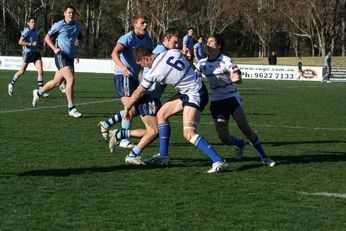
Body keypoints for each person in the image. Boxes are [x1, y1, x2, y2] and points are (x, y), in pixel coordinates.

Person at [111, 46, 229, 173]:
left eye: (142, 64)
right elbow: (183, 56)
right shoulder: (170, 52)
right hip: (187, 91)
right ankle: (163, 156)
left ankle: (218, 161)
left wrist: (128, 108)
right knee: (161, 114)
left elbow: (138, 93)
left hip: (194, 94)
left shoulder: (154, 72)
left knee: (188, 133)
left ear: (145, 58)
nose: (145, 68)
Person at [100, 28, 181, 165]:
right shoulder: (159, 53)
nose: (177, 46)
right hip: (149, 96)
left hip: (151, 97)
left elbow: (144, 72)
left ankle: (120, 135)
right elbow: (150, 72)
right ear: (166, 40)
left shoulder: (164, 52)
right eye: (175, 43)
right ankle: (133, 154)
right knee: (155, 130)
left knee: (156, 129)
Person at [196, 34, 275, 167]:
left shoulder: (226, 60)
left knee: (245, 128)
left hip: (231, 98)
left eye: (211, 42)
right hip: (216, 102)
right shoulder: (202, 63)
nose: (207, 44)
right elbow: (192, 75)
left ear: (219, 45)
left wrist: (236, 78)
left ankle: (264, 157)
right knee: (224, 138)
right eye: (207, 42)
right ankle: (239, 144)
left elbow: (237, 74)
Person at [32, 5, 83, 118]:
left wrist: (78, 44)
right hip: (61, 55)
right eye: (69, 12)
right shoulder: (59, 25)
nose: (71, 15)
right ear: (64, 13)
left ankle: (38, 92)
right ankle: (71, 108)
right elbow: (47, 37)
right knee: (70, 80)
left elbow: (79, 38)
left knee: (57, 82)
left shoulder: (78, 25)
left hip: (70, 57)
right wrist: (55, 49)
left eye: (73, 13)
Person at [110, 15, 154, 148]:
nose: (145, 25)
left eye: (146, 23)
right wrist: (122, 68)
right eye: (142, 23)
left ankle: (107, 124)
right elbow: (114, 53)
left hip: (135, 77)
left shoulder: (148, 40)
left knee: (134, 109)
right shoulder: (127, 38)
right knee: (131, 108)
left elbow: (147, 61)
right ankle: (123, 140)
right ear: (135, 25)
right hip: (123, 76)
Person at [8, 17, 48, 97]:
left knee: (40, 71)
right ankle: (11, 84)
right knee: (22, 71)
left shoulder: (36, 30)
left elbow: (35, 41)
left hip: (36, 53)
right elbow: (20, 42)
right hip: (28, 54)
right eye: (32, 22)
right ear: (28, 23)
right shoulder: (26, 31)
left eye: (34, 22)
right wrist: (30, 44)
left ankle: (41, 91)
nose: (33, 23)